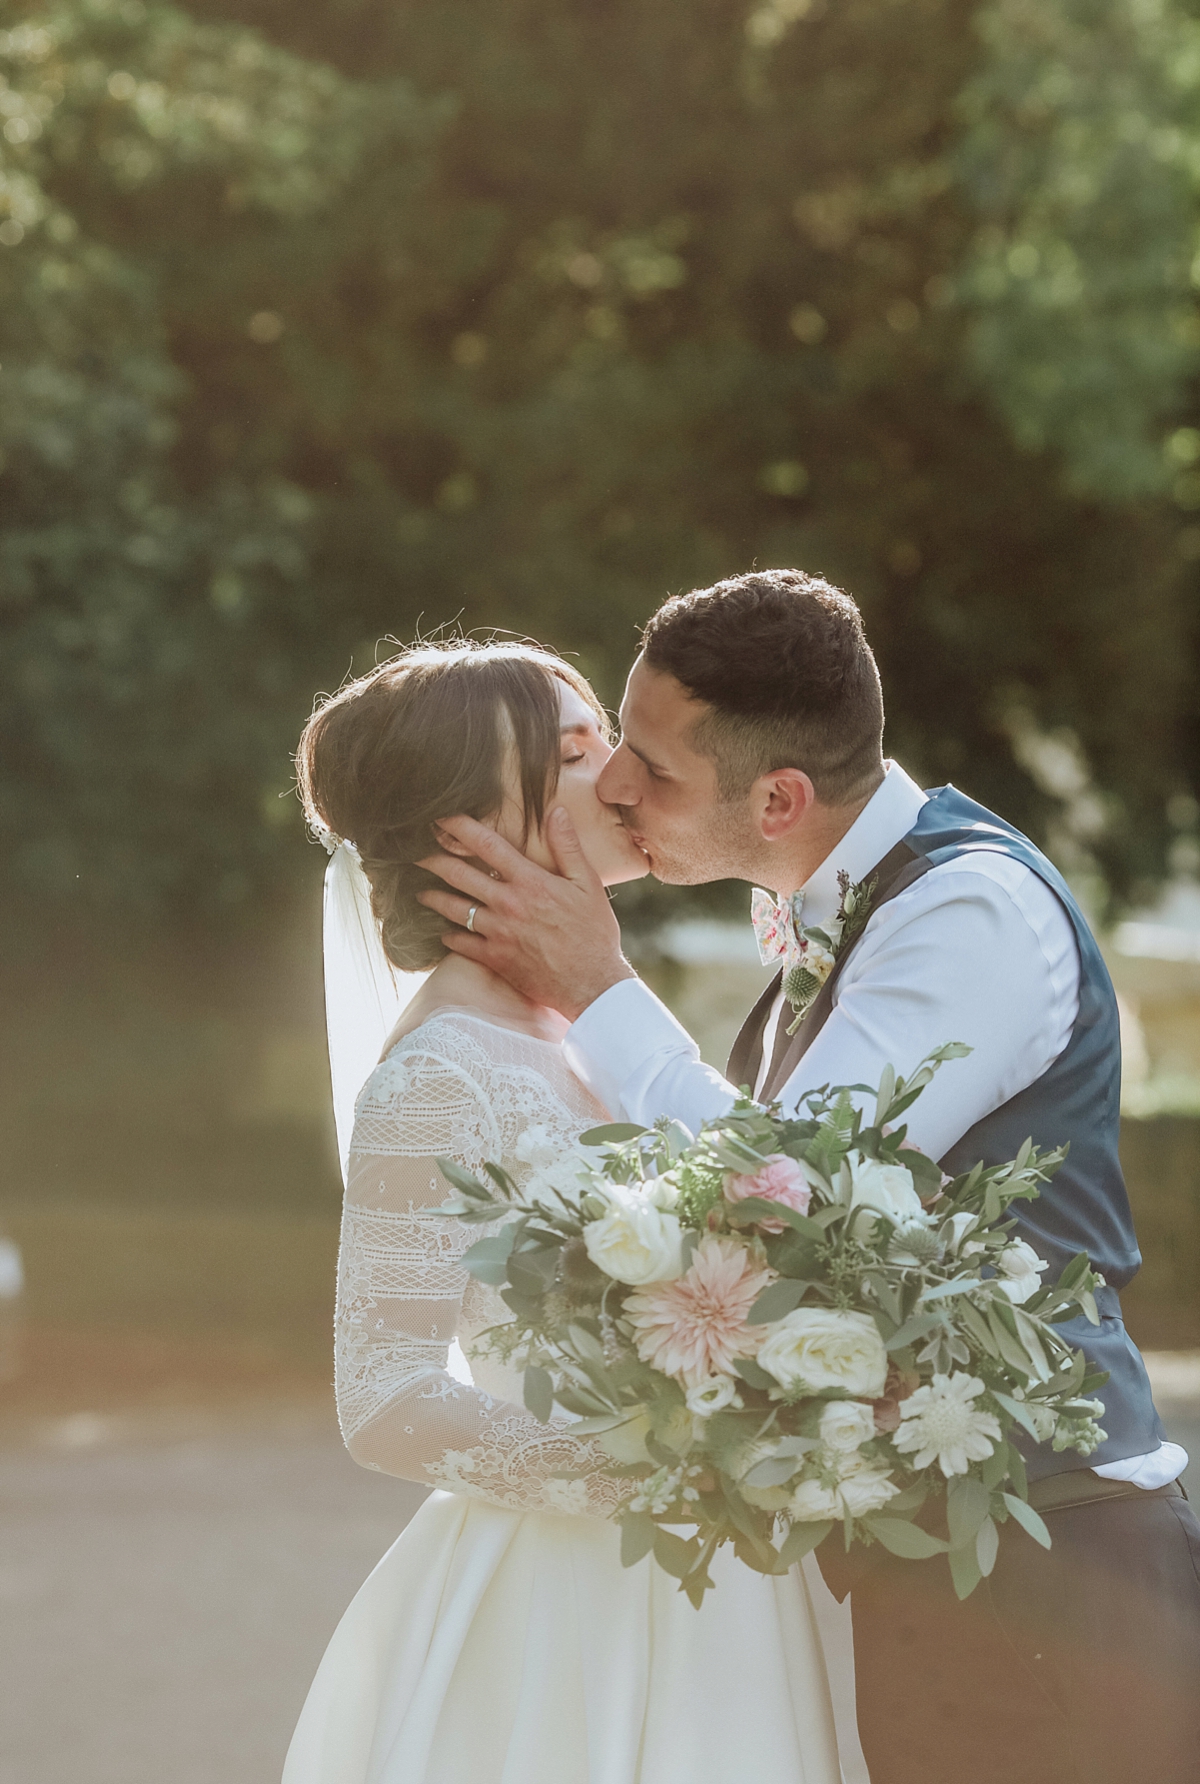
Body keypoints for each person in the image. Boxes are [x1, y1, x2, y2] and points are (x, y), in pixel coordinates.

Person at [417, 572, 1200, 1784]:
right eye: (617, 739)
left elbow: (789, 1192)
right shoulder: (836, 911)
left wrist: (599, 985)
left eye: (652, 765)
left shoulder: (967, 914)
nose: (617, 784)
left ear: (779, 798)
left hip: (1056, 1565)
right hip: (936, 1564)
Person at [282, 639, 842, 1784]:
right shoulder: (439, 1070)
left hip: (736, 1583)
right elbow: (384, 1399)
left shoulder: (588, 1030)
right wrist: (652, 1474)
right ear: (466, 825)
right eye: (581, 750)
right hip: (575, 1604)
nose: (627, 772)